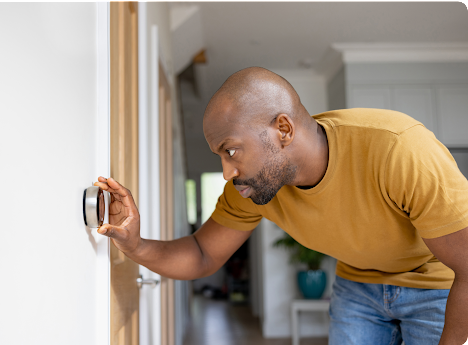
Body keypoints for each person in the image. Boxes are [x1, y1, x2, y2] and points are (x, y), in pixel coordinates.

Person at [94, 67, 468, 344]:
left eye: (231, 150)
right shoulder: (252, 187)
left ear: (283, 130)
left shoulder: (398, 149)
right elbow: (202, 254)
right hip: (359, 284)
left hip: (438, 285)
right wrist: (135, 244)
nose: (227, 172)